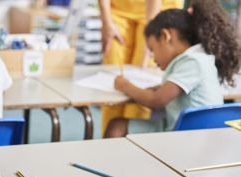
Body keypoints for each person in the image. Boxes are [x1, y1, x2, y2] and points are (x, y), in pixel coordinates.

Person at [105, 0, 241, 137]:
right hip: (194, 132)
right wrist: (159, 87)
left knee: (116, 126)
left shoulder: (193, 61)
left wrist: (124, 85)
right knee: (118, 124)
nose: (153, 57)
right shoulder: (198, 57)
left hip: (187, 136)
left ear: (165, 36)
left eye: (152, 49)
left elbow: (156, 101)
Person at [98, 0, 183, 136]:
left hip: (159, 10)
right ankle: (109, 145)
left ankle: (135, 146)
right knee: (111, 85)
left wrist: (151, 35)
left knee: (143, 81)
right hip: (120, 10)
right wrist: (106, 21)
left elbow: (155, 99)